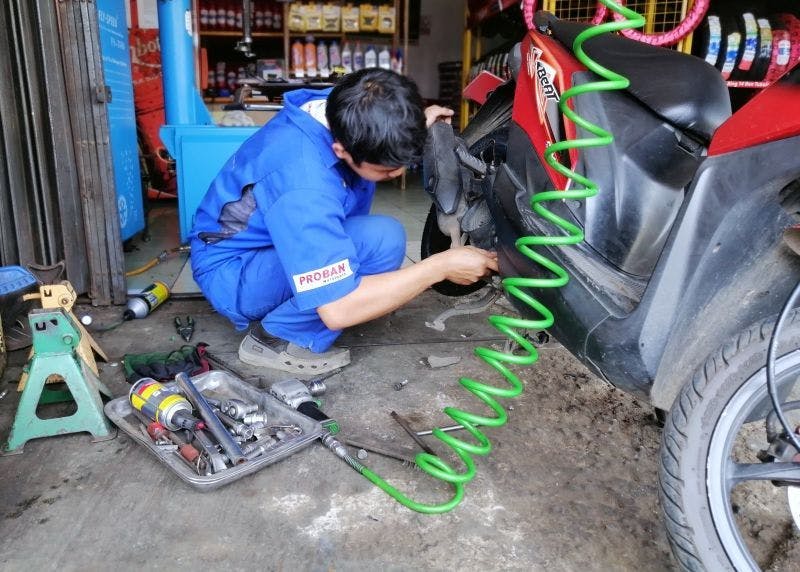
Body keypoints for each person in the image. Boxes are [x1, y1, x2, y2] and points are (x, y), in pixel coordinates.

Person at [189, 68, 498, 375]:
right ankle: (277, 340)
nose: (398, 175)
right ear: (340, 150)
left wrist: (415, 124)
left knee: (382, 239)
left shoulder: (349, 108)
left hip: (269, 245)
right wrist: (439, 267)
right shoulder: (303, 182)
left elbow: (384, 113)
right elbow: (338, 309)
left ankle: (302, 312)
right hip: (234, 273)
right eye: (387, 171)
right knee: (379, 242)